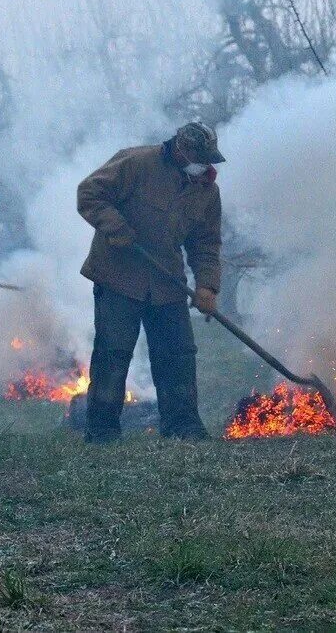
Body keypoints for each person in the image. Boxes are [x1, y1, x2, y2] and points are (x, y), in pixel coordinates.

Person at [77, 120, 224, 443]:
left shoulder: (206, 192)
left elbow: (206, 244)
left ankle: (182, 426)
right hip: (118, 277)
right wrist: (117, 228)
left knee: (178, 355)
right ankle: (102, 430)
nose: (206, 166)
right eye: (201, 157)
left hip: (167, 282)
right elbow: (89, 194)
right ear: (181, 149)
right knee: (112, 354)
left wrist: (206, 285)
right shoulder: (136, 164)